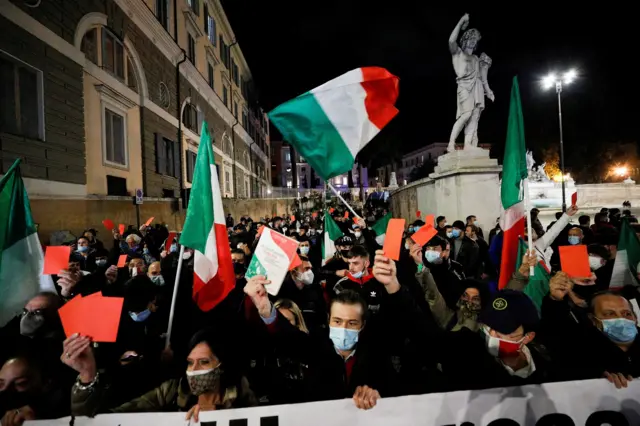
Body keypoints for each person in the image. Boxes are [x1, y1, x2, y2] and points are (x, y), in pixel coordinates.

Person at [63, 329, 256, 420]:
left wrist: (218, 420)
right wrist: (87, 375)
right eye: (190, 363)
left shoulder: (244, 394)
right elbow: (101, 420)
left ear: (221, 365)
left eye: (204, 362)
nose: (194, 370)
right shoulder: (172, 391)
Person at [437, 290, 555, 391]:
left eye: (504, 329)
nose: (493, 334)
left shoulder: (548, 362)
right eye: (489, 325)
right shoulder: (465, 352)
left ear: (528, 337)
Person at [332, 246, 387, 314]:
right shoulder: (341, 285)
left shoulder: (381, 283)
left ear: (366, 264)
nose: (351, 268)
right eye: (349, 263)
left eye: (355, 263)